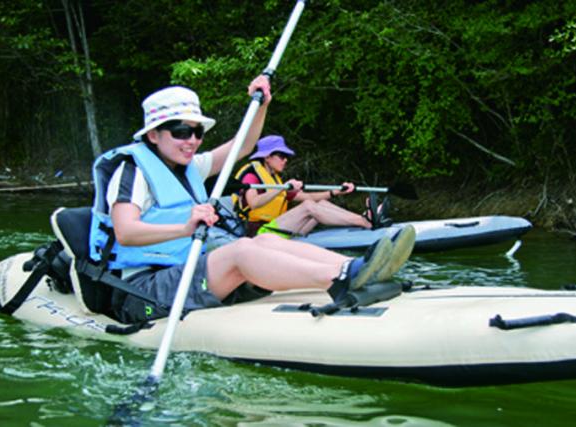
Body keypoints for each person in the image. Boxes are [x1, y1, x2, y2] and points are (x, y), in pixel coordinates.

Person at [88, 76, 416, 324]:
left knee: (263, 242)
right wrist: (185, 227)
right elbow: (127, 232)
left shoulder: (190, 166)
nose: (192, 141)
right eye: (180, 131)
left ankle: (353, 268)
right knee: (242, 250)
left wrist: (262, 104)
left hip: (186, 269)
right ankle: (339, 281)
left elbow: (242, 146)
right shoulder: (132, 171)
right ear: (153, 135)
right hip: (142, 288)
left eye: (197, 132)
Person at [233, 135, 391, 237]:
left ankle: (364, 219)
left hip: (277, 229)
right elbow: (253, 203)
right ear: (267, 157)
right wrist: (282, 188)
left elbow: (307, 196)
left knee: (317, 203)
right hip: (259, 234)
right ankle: (364, 221)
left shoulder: (275, 180)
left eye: (286, 156)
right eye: (282, 156)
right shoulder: (251, 176)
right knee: (308, 207)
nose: (285, 160)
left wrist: (335, 192)